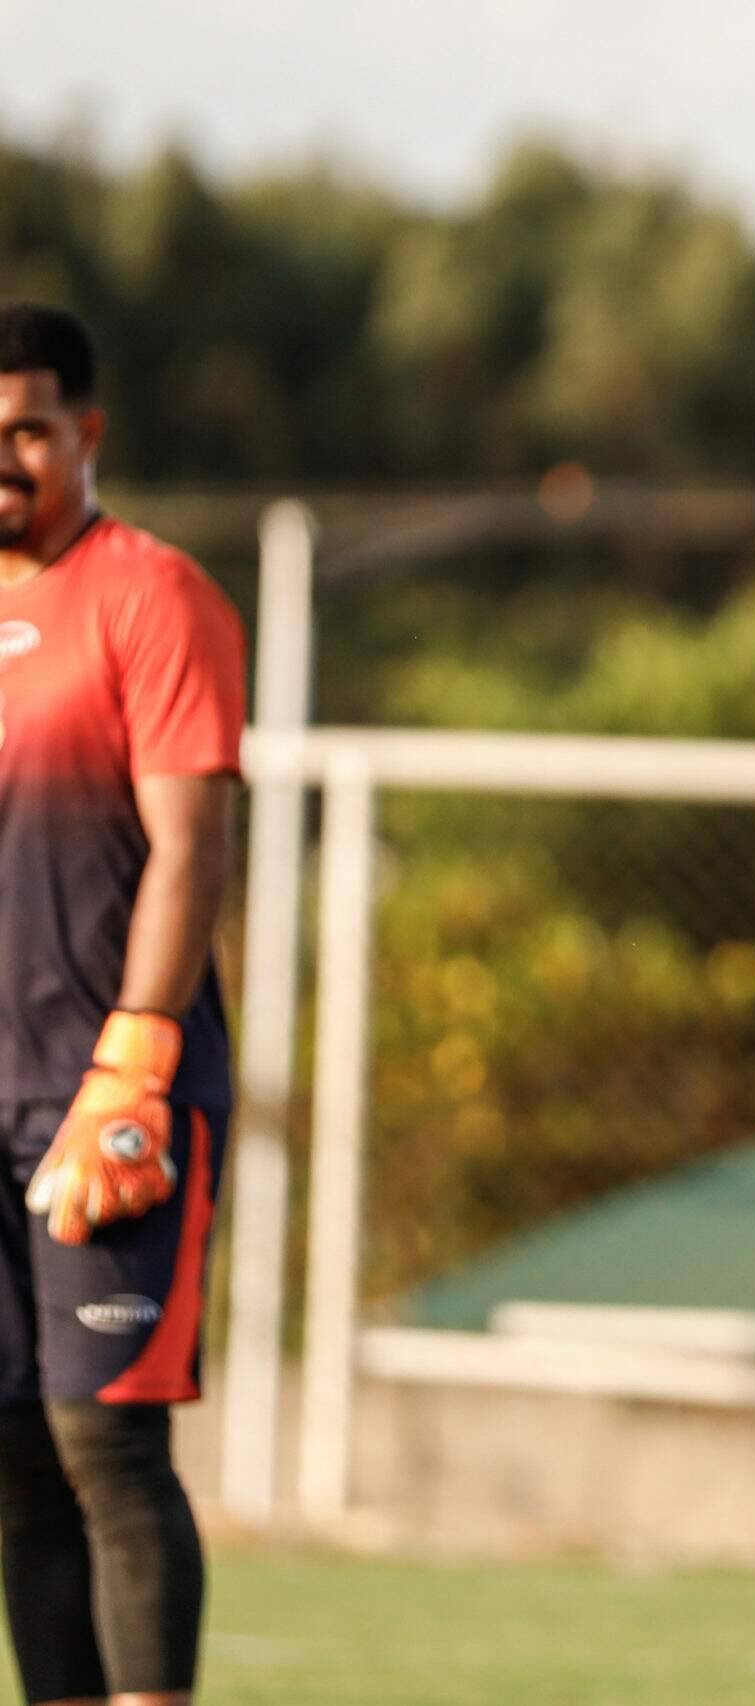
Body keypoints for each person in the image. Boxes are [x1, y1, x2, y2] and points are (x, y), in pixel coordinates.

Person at [0, 302, 245, 1706]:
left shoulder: (153, 595)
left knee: (108, 1450)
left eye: (29, 430)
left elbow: (191, 843)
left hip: (104, 1093)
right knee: (19, 1464)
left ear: (84, 434)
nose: (6, 459)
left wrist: (135, 1057)